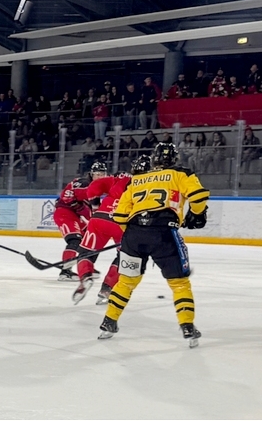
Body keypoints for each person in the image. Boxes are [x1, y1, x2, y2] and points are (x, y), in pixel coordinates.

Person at [98, 143, 210, 347]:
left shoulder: (137, 180)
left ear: (154, 160)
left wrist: (133, 237)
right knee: (179, 283)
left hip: (133, 234)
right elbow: (199, 196)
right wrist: (197, 213)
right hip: (164, 233)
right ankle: (187, 326)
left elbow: (120, 216)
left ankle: (109, 322)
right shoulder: (181, 174)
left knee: (126, 282)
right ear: (174, 159)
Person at [72, 155, 153, 305]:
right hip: (122, 225)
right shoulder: (154, 185)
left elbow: (94, 187)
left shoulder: (122, 178)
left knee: (85, 253)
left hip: (100, 219)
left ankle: (86, 277)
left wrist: (96, 208)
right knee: (123, 258)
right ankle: (106, 289)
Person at [53, 161, 108, 282]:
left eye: (102, 174)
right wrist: (77, 206)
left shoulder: (98, 190)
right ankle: (65, 272)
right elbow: (66, 195)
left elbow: (94, 210)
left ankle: (87, 266)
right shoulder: (84, 183)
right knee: (75, 240)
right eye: (98, 174)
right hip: (64, 213)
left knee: (92, 240)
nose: (100, 177)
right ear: (92, 174)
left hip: (76, 216)